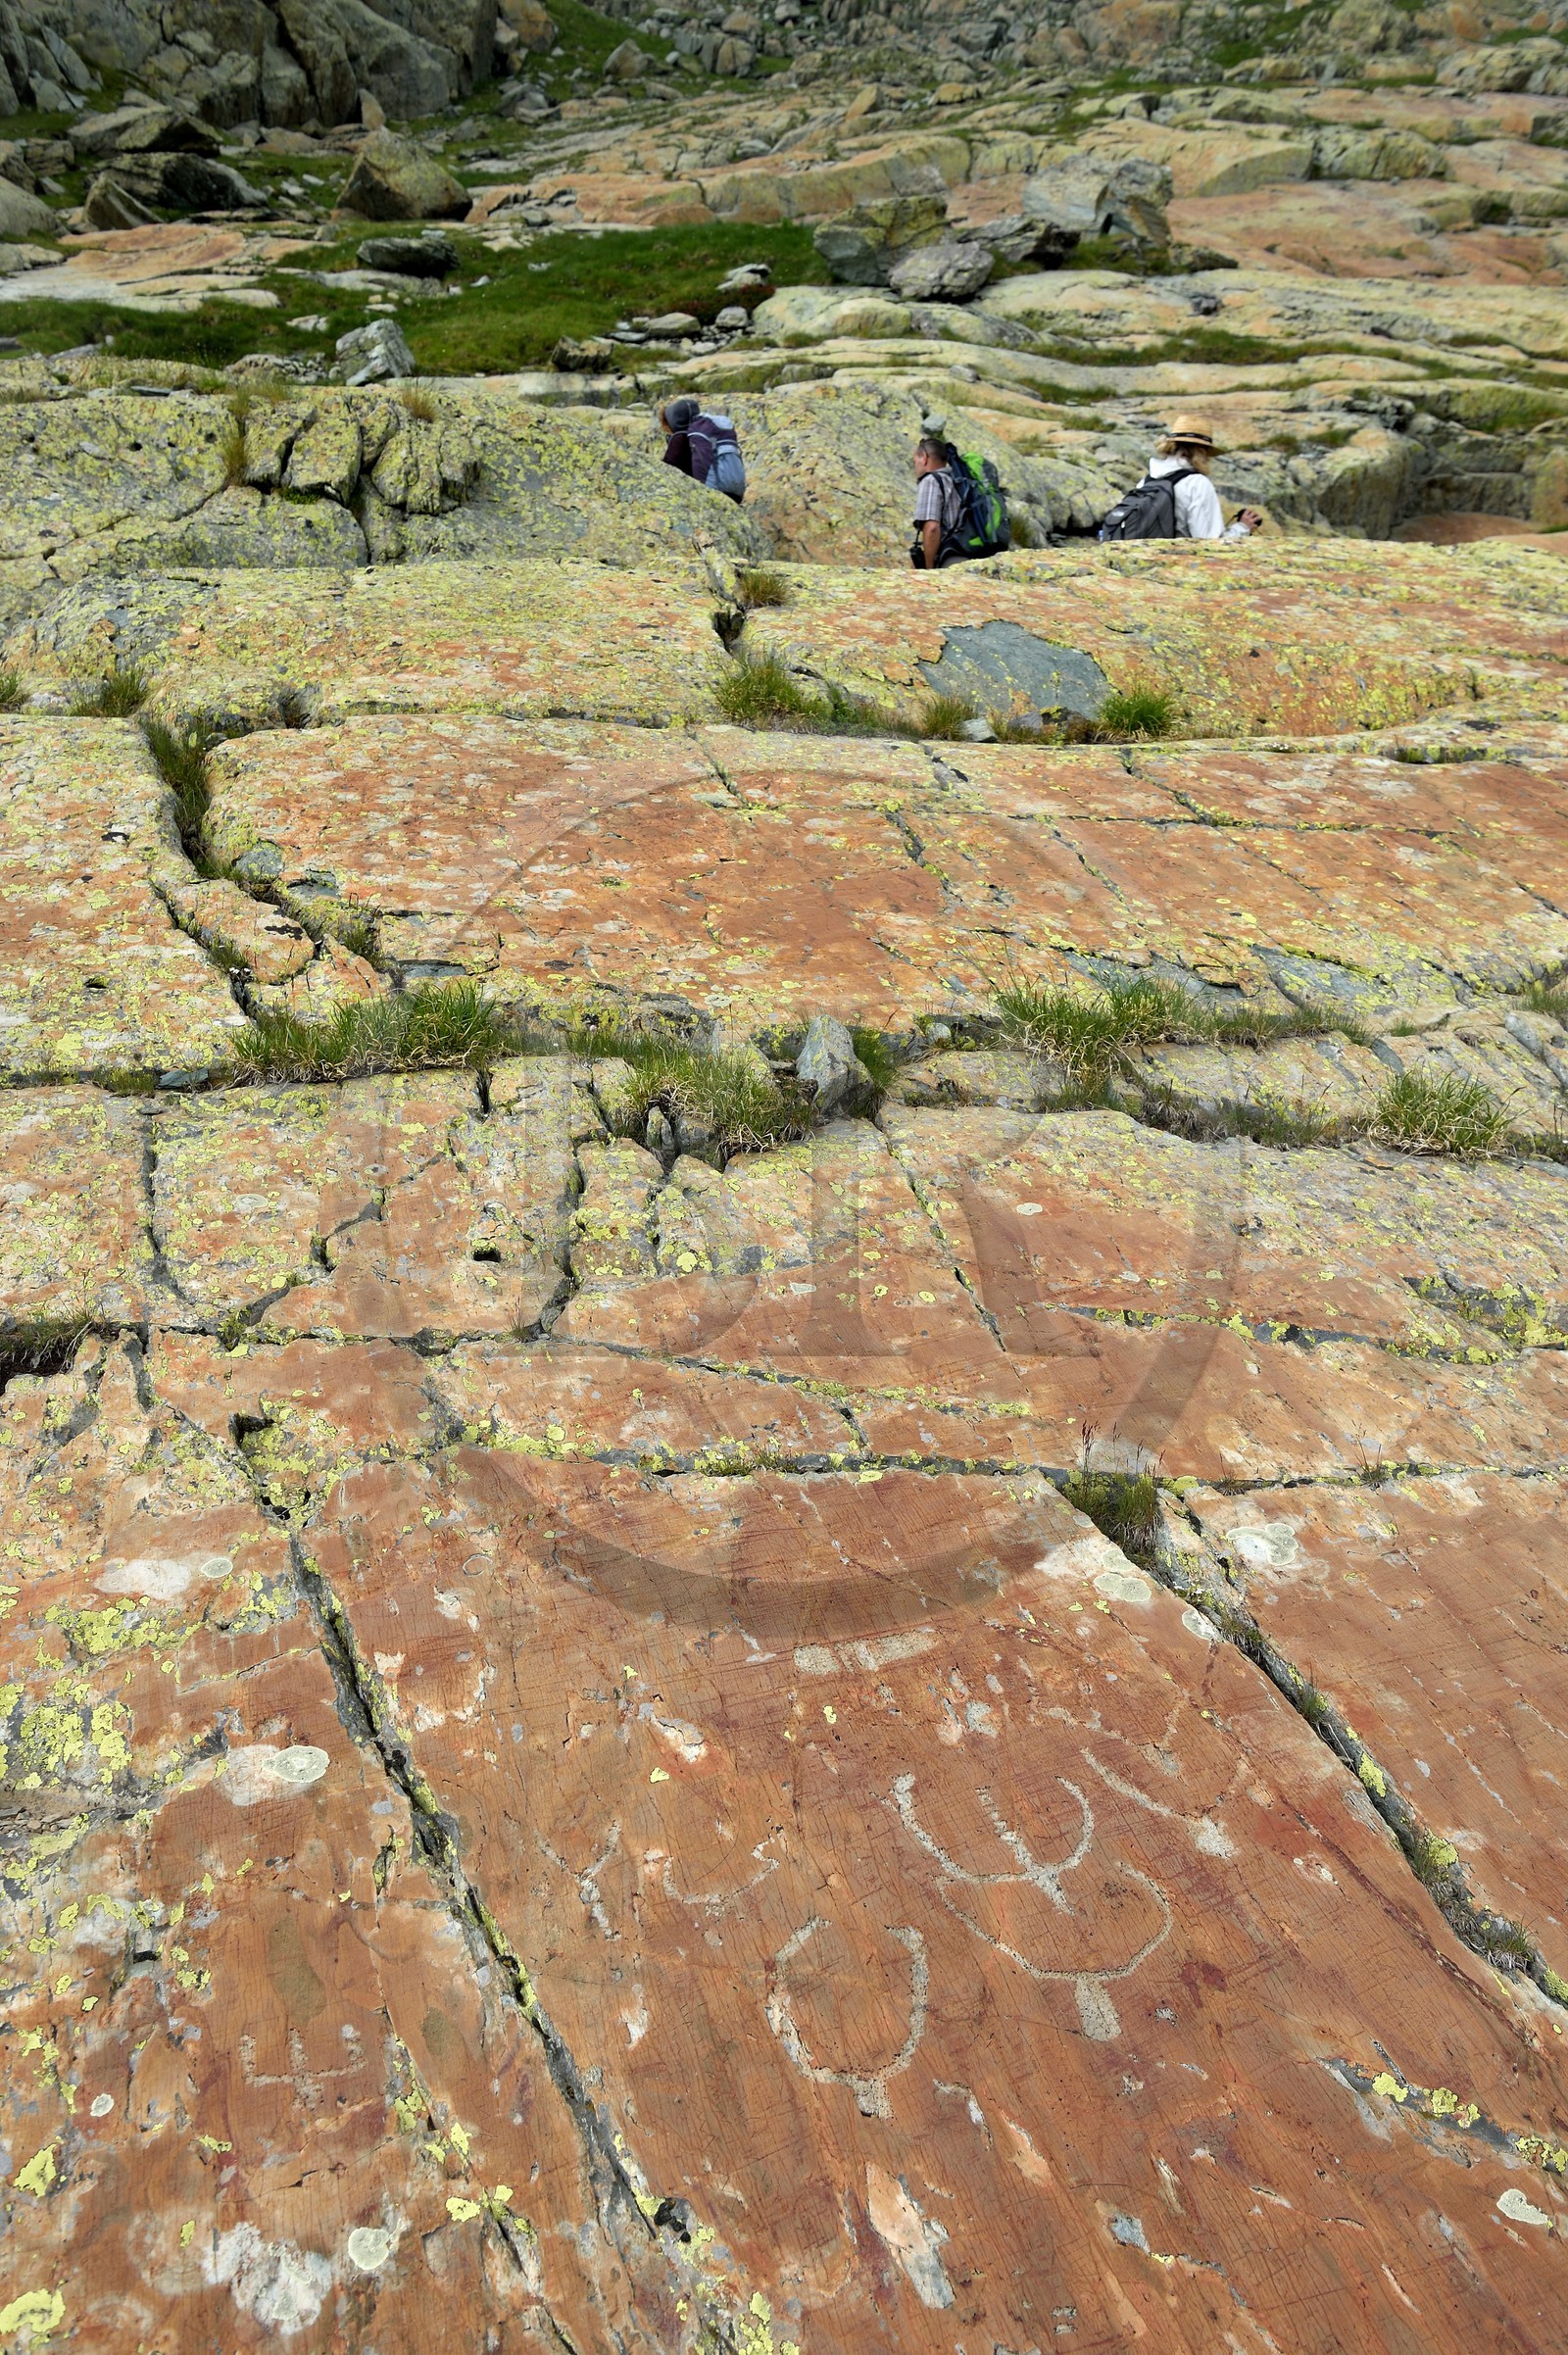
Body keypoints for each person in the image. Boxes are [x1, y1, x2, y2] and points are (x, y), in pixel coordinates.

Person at [1101, 415, 1263, 541]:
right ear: (1201, 451)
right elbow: (1209, 542)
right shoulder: (1197, 483)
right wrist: (1242, 527)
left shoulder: (1147, 480)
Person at [660, 395, 746, 502]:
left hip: (709, 494)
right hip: (733, 493)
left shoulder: (680, 439)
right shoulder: (705, 435)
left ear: (674, 422)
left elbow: (665, 471)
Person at [912, 436, 960, 568]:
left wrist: (929, 569)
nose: (915, 467)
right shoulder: (956, 479)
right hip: (974, 550)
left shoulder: (931, 481)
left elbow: (932, 528)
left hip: (953, 556)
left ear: (924, 457)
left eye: (915, 461)